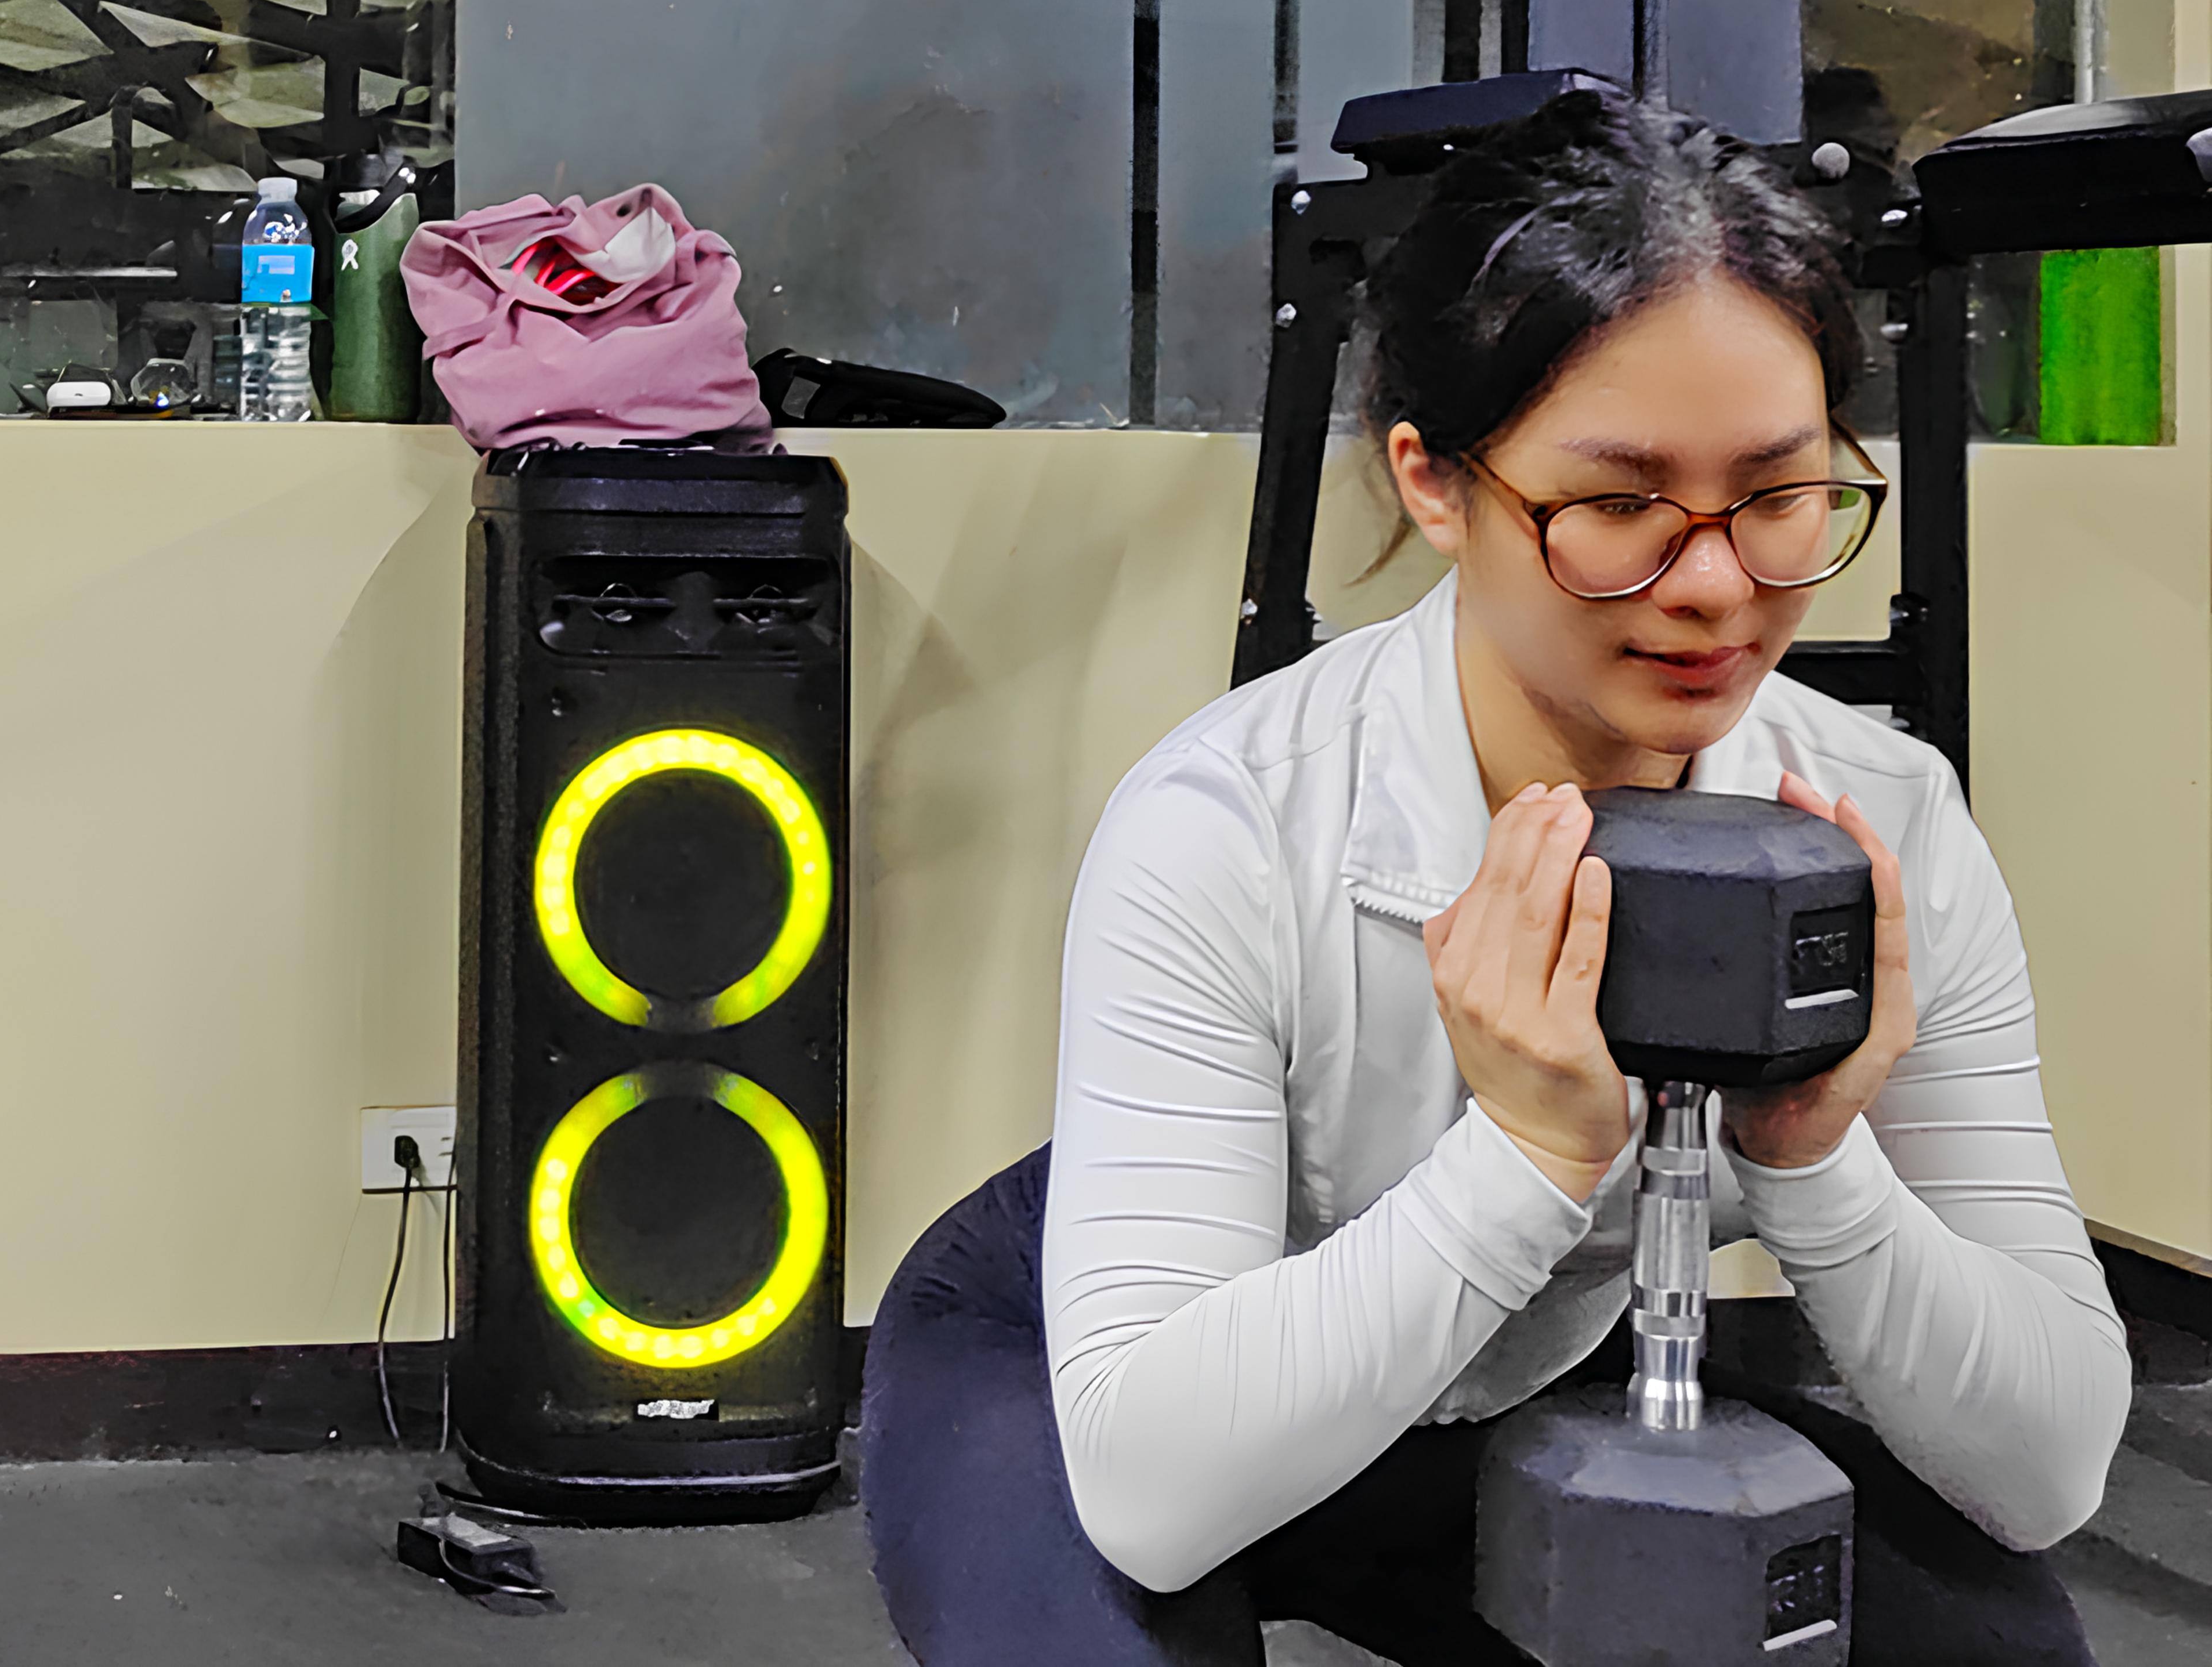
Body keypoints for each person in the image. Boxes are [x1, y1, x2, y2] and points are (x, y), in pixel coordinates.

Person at [859, 93, 2129, 1665]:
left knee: (1995, 1648)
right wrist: (1526, 1155)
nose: (1719, 582)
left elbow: (2049, 1462)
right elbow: (1158, 1491)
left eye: (1783, 496)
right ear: (1436, 483)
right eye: (1617, 507)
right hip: (1131, 1355)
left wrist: (1814, 1161)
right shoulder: (1229, 819)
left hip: (1550, 1355)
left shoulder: (1884, 824)